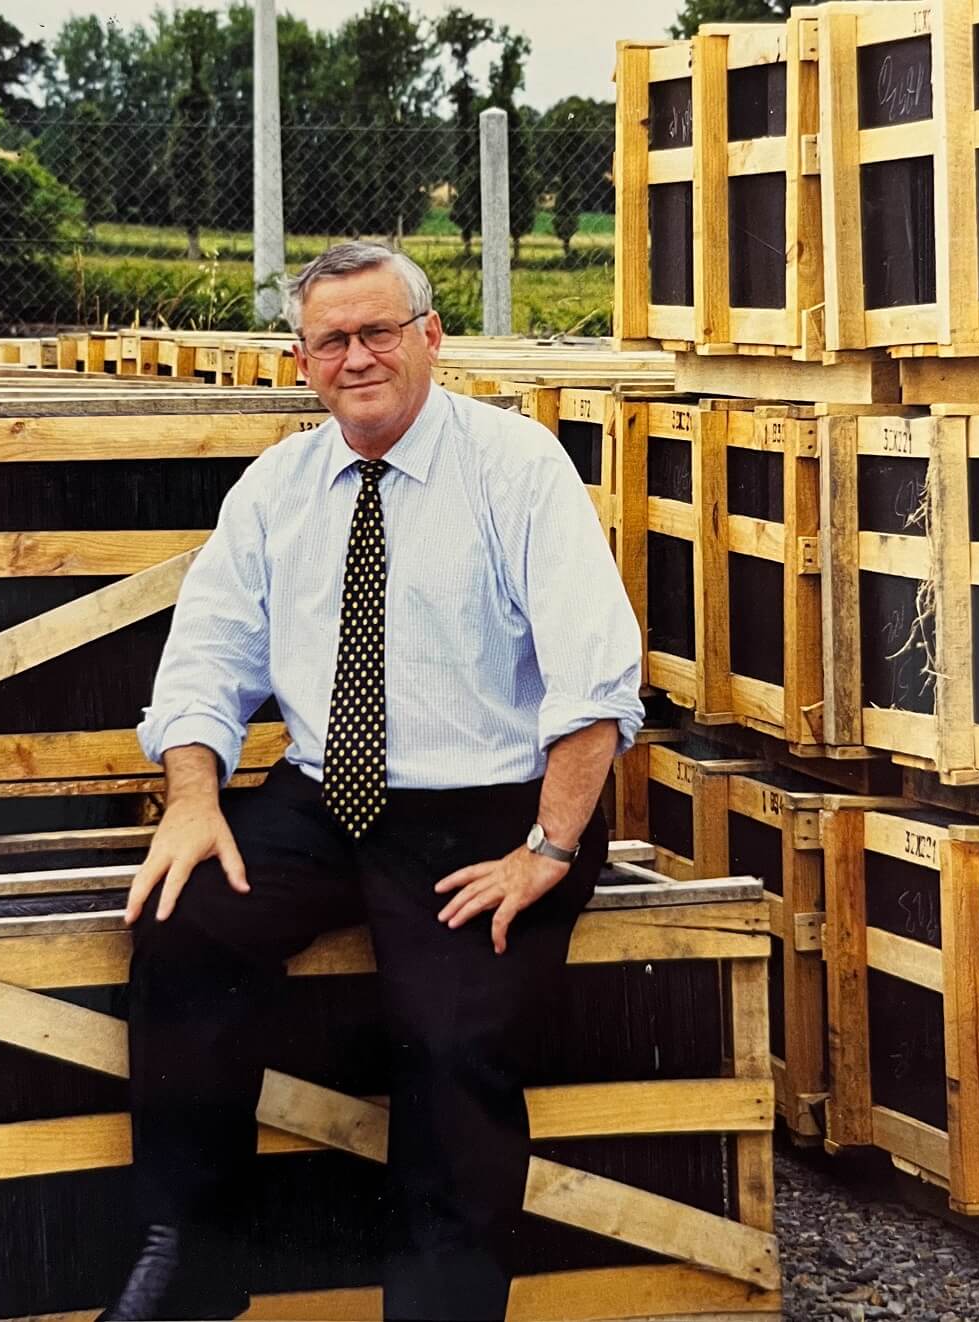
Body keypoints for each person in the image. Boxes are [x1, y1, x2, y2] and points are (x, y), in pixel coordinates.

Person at [100, 241, 645, 1321]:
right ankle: (189, 1258)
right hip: (326, 794)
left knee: (452, 1047)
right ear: (302, 360)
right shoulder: (277, 487)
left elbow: (598, 679)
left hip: (493, 805)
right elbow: (206, 655)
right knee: (184, 927)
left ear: (430, 336)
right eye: (332, 339)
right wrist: (195, 798)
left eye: (378, 331)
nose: (357, 356)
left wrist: (548, 848)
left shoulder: (516, 465)